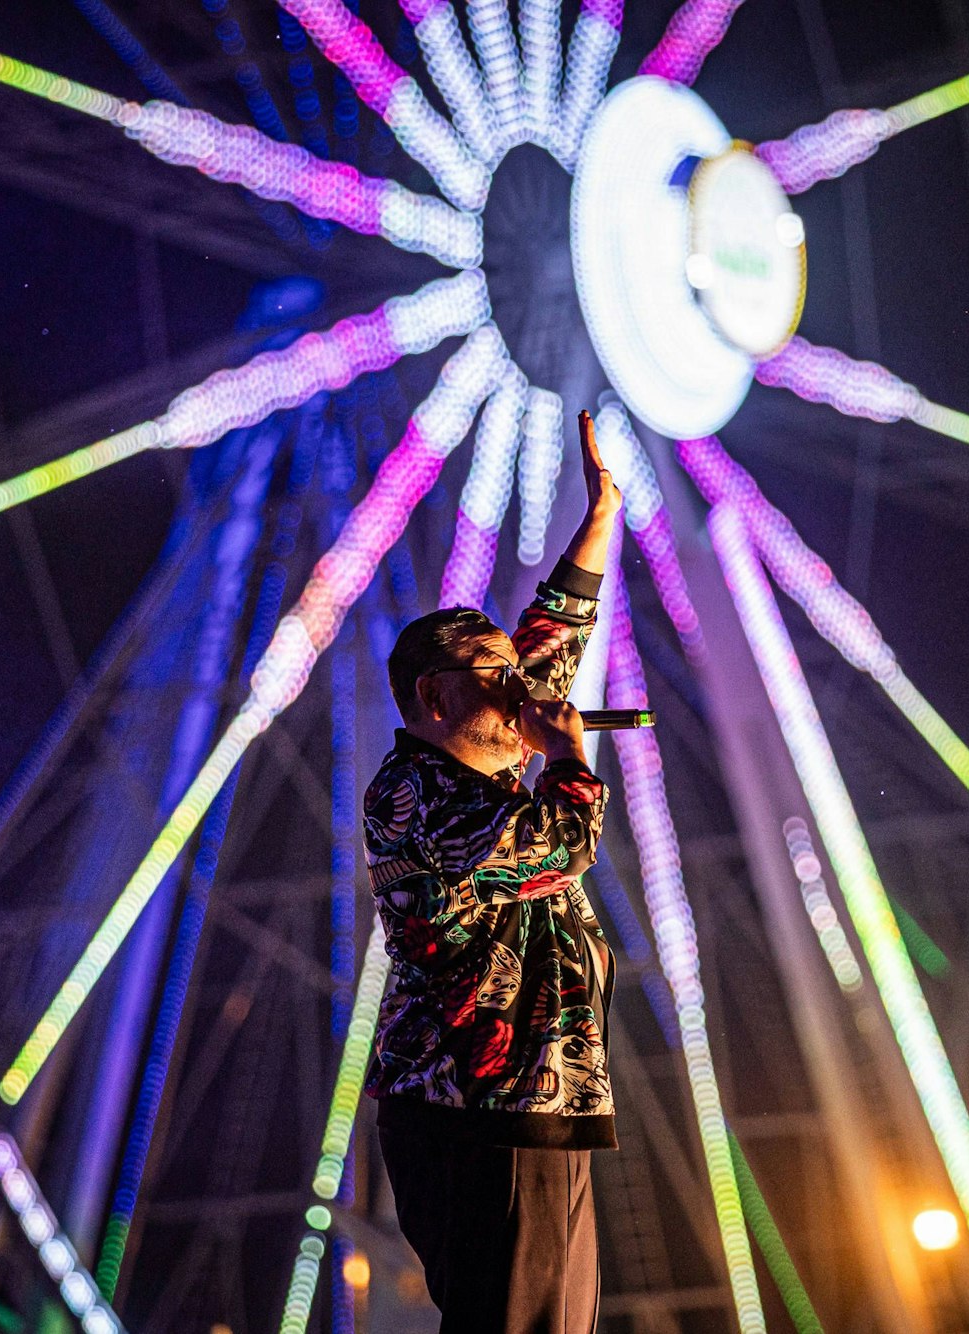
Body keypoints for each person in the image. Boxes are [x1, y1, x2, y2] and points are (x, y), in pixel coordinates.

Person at [365, 410, 622, 1332]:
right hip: (482, 1107)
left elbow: (547, 649)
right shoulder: (415, 793)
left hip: (538, 1097)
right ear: (434, 696)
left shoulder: (475, 770)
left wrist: (599, 522)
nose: (521, 692)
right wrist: (570, 757)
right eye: (492, 675)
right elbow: (561, 843)